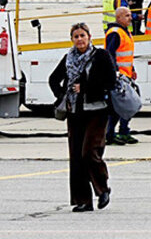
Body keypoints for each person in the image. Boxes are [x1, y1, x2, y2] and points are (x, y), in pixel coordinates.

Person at [49, 22, 117, 212]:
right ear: (72, 39)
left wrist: (86, 88)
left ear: (89, 37)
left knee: (89, 151)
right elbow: (53, 79)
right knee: (76, 157)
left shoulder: (101, 56)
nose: (79, 39)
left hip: (97, 110)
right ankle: (83, 201)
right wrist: (63, 97)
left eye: (82, 36)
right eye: (76, 36)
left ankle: (103, 189)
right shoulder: (68, 58)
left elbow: (110, 81)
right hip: (75, 112)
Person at [104, 7, 137, 145]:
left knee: (124, 106)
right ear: (118, 18)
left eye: (130, 15)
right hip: (119, 77)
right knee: (121, 107)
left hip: (126, 75)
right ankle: (115, 133)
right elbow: (109, 54)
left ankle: (120, 131)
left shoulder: (125, 32)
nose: (130, 18)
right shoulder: (115, 33)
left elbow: (125, 54)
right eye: (127, 16)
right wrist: (115, 72)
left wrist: (132, 69)